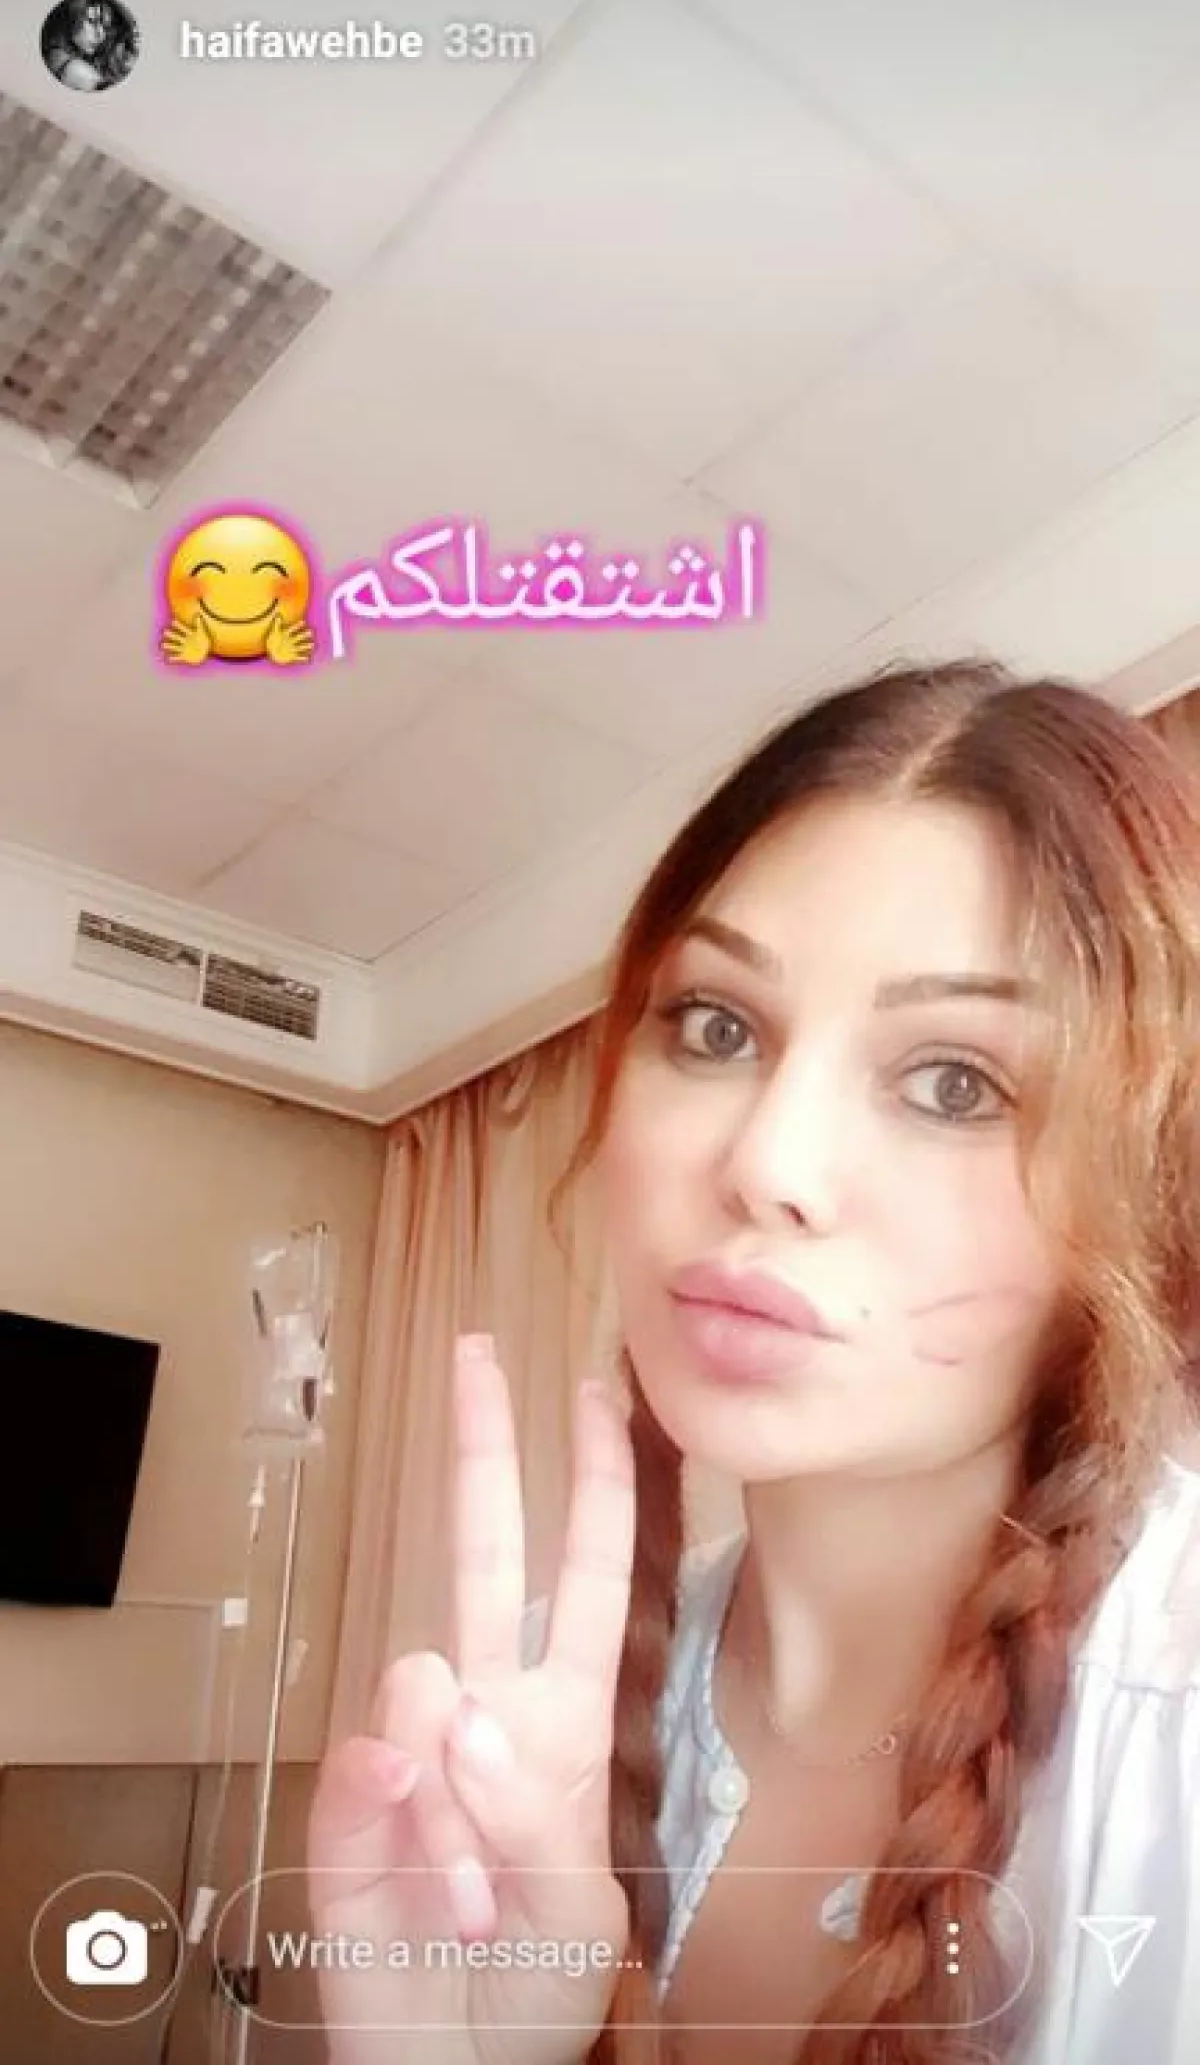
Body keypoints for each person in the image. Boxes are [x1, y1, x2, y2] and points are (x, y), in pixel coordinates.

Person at [308, 657, 1200, 2065]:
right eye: (717, 1028)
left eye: (955, 1083)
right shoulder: (548, 1706)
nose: (768, 1162)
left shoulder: (1170, 1739)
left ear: (1148, 1201)